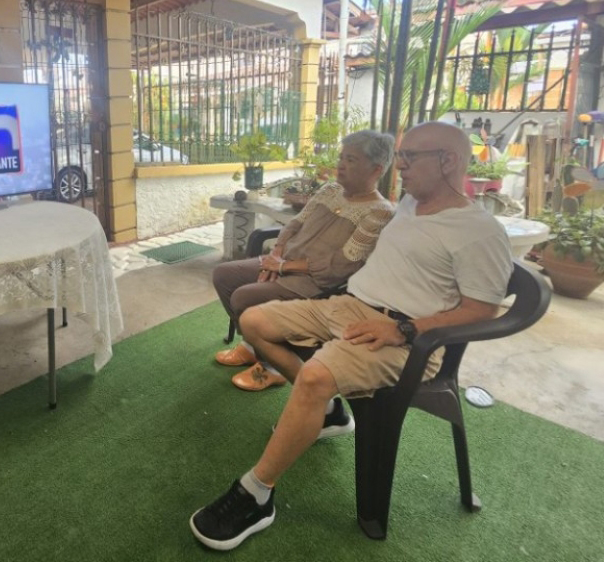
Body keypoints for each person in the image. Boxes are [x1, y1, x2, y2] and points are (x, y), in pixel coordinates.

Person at [190, 121, 513, 551]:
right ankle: (325, 410)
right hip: (348, 307)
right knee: (254, 322)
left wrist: (404, 328)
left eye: (409, 157)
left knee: (315, 375)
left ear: (449, 160)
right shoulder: (408, 208)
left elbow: (482, 310)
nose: (399, 166)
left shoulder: (478, 231)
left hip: (404, 336)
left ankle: (257, 493)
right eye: (399, 155)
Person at [212, 130, 396, 391]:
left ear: (376, 169)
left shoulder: (380, 212)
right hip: (285, 261)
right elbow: (294, 224)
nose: (340, 164)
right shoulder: (331, 190)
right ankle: (254, 346)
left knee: (243, 296)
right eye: (341, 157)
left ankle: (271, 366)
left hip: (316, 281)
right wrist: (276, 254)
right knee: (224, 275)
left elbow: (342, 265)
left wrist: (284, 266)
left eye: (351, 160)